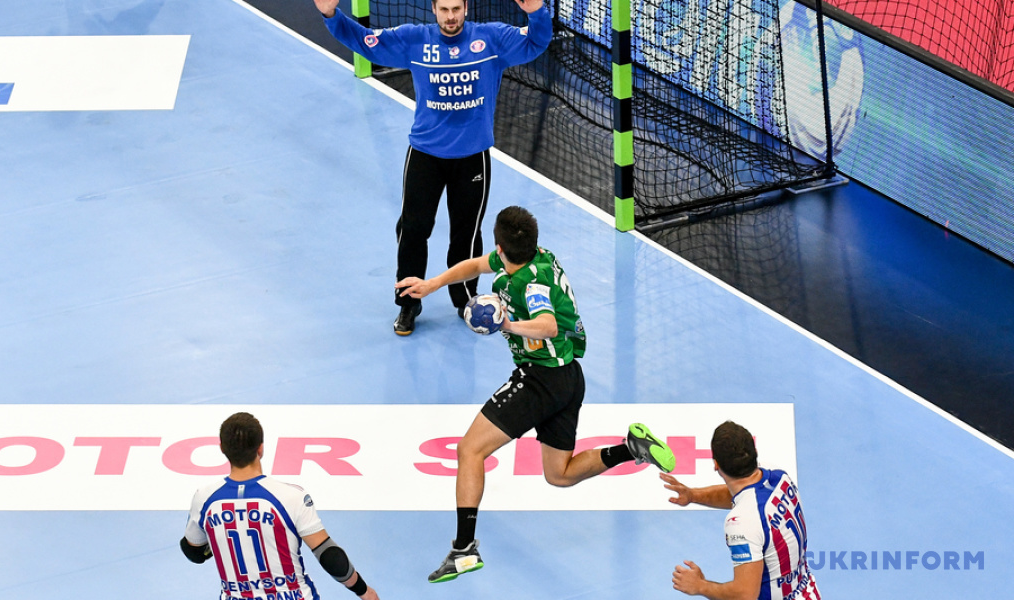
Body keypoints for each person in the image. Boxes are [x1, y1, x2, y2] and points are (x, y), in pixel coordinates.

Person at [397, 206, 677, 582]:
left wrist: (506, 323)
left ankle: (463, 551)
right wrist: (432, 284)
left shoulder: (530, 286)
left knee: (469, 450)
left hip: (539, 379)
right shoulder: (534, 257)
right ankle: (631, 448)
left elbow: (547, 324)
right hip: (569, 377)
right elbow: (475, 266)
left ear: (500, 245)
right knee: (559, 474)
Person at [313, 0, 552, 335]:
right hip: (425, 155)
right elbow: (367, 42)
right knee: (413, 230)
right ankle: (408, 304)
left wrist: (537, 12)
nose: (450, 16)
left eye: (456, 8)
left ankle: (465, 299)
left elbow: (536, 43)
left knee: (466, 233)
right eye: (444, 9)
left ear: (466, 7)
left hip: (472, 157)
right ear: (434, 9)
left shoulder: (491, 39)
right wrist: (330, 16)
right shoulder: (414, 40)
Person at [180, 412, 380, 600]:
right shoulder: (291, 496)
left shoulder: (204, 498)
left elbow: (193, 551)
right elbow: (329, 555)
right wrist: (363, 591)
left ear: (222, 448)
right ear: (260, 448)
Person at [660, 421, 821, 600]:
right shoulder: (778, 477)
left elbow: (745, 595)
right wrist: (692, 495)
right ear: (753, 453)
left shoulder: (741, 522)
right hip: (807, 593)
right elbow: (741, 495)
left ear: (716, 464)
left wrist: (700, 586)